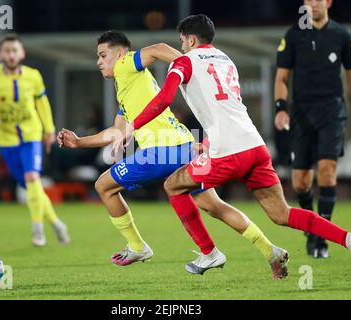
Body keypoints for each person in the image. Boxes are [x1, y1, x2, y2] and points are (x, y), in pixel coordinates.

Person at [116, 14, 351, 281]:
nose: (181, 46)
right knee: (281, 213)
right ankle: (348, 239)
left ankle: (209, 253)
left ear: (191, 39)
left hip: (228, 152)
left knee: (173, 186)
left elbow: (164, 99)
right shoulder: (226, 60)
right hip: (254, 146)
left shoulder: (184, 62)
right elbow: (226, 108)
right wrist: (206, 143)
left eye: (182, 40)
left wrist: (132, 125)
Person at [59, 30, 289, 278]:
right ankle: (270, 250)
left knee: (104, 186)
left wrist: (187, 63)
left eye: (103, 55)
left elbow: (156, 48)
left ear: (120, 54)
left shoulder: (126, 64)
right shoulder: (129, 87)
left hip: (161, 151)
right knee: (213, 205)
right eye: (98, 57)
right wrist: (80, 142)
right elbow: (117, 131)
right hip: (186, 146)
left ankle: (138, 247)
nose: (99, 62)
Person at [274, 0, 351, 258]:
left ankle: (320, 236)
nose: (313, 4)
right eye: (308, 0)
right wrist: (281, 108)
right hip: (301, 114)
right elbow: (282, 77)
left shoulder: (341, 35)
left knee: (328, 172)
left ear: (328, 2)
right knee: (301, 182)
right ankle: (313, 230)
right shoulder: (294, 34)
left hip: (332, 112)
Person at [0, 33, 70, 247]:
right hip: (6, 140)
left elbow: (43, 104)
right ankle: (57, 224)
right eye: (7, 51)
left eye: (15, 50)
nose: (11, 54)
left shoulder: (33, 76)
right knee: (32, 188)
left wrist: (49, 129)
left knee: (33, 178)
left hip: (31, 135)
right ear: (1, 54)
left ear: (22, 53)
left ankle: (37, 230)